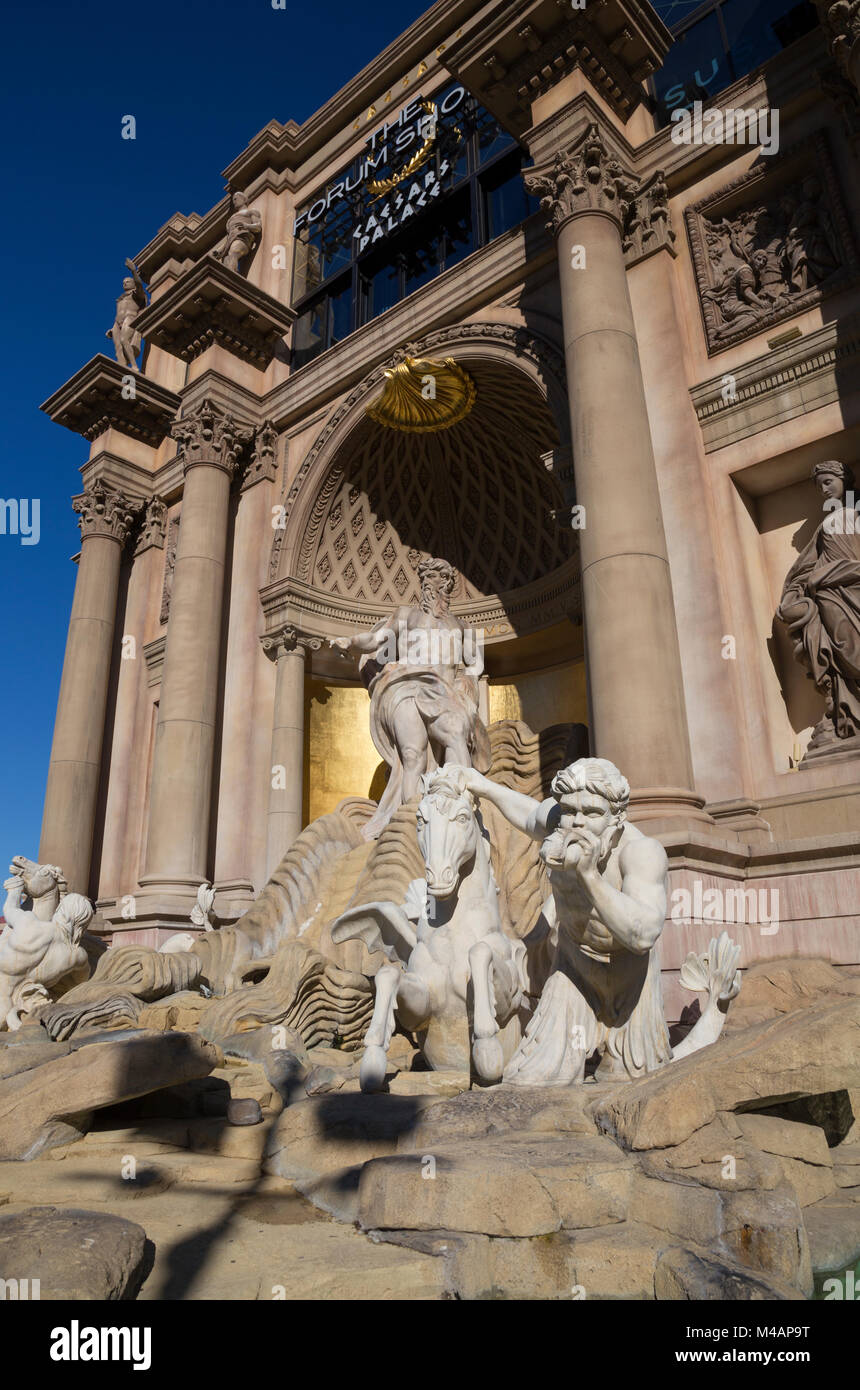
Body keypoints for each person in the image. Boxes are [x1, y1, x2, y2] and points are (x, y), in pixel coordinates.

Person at [461, 756, 672, 1084]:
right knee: (536, 1077)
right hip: (574, 970)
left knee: (632, 1081)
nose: (577, 824)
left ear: (617, 817)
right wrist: (482, 785)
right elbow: (530, 815)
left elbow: (643, 935)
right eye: (570, 811)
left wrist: (590, 877)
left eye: (592, 814)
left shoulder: (642, 852)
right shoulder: (562, 822)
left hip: (629, 978)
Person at [329, 557, 490, 837]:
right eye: (429, 581)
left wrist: (470, 680)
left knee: (455, 737)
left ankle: (464, 815)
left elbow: (476, 663)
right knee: (413, 756)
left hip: (444, 693)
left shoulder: (460, 626)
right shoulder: (406, 616)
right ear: (423, 585)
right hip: (406, 688)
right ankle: (413, 824)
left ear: (448, 587)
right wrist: (351, 642)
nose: (434, 588)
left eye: (441, 582)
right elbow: (376, 639)